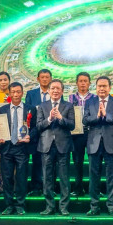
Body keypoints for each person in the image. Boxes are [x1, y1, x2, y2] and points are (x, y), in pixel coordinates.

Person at [84, 76, 113, 216]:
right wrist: (97, 116)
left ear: (109, 88)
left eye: (104, 86)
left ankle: (112, 206)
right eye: (99, 86)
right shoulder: (90, 101)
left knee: (111, 176)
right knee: (93, 177)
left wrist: (107, 115)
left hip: (111, 144)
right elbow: (85, 119)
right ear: (96, 88)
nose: (102, 88)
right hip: (94, 144)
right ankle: (94, 206)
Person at [0, 82, 35, 215]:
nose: (16, 94)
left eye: (18, 92)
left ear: (22, 93)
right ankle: (9, 205)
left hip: (22, 148)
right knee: (7, 177)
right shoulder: (2, 110)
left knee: (22, 177)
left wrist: (30, 136)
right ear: (10, 94)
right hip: (6, 147)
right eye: (13, 92)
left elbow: (35, 128)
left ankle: (20, 205)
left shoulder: (30, 109)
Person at [36, 79, 75, 215]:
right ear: (48, 90)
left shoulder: (68, 106)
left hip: (63, 146)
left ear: (62, 91)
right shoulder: (42, 106)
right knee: (47, 178)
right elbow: (39, 126)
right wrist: (50, 119)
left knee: (64, 178)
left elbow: (72, 125)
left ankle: (64, 207)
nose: (55, 91)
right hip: (46, 146)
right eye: (53, 88)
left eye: (58, 88)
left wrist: (60, 118)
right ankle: (49, 206)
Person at [24, 68, 53, 195]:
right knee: (36, 160)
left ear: (50, 78)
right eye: (42, 77)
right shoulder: (31, 94)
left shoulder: (55, 92)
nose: (45, 79)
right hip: (36, 132)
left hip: (51, 132)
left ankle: (49, 188)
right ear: (38, 79)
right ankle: (36, 186)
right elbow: (27, 113)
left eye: (47, 77)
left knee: (50, 161)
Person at [68, 71, 95, 197]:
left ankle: (94, 188)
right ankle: (78, 188)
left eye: (85, 81)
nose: (83, 83)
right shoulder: (70, 98)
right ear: (77, 83)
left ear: (89, 83)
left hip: (92, 133)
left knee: (93, 162)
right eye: (80, 81)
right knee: (77, 162)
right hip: (76, 134)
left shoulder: (95, 98)